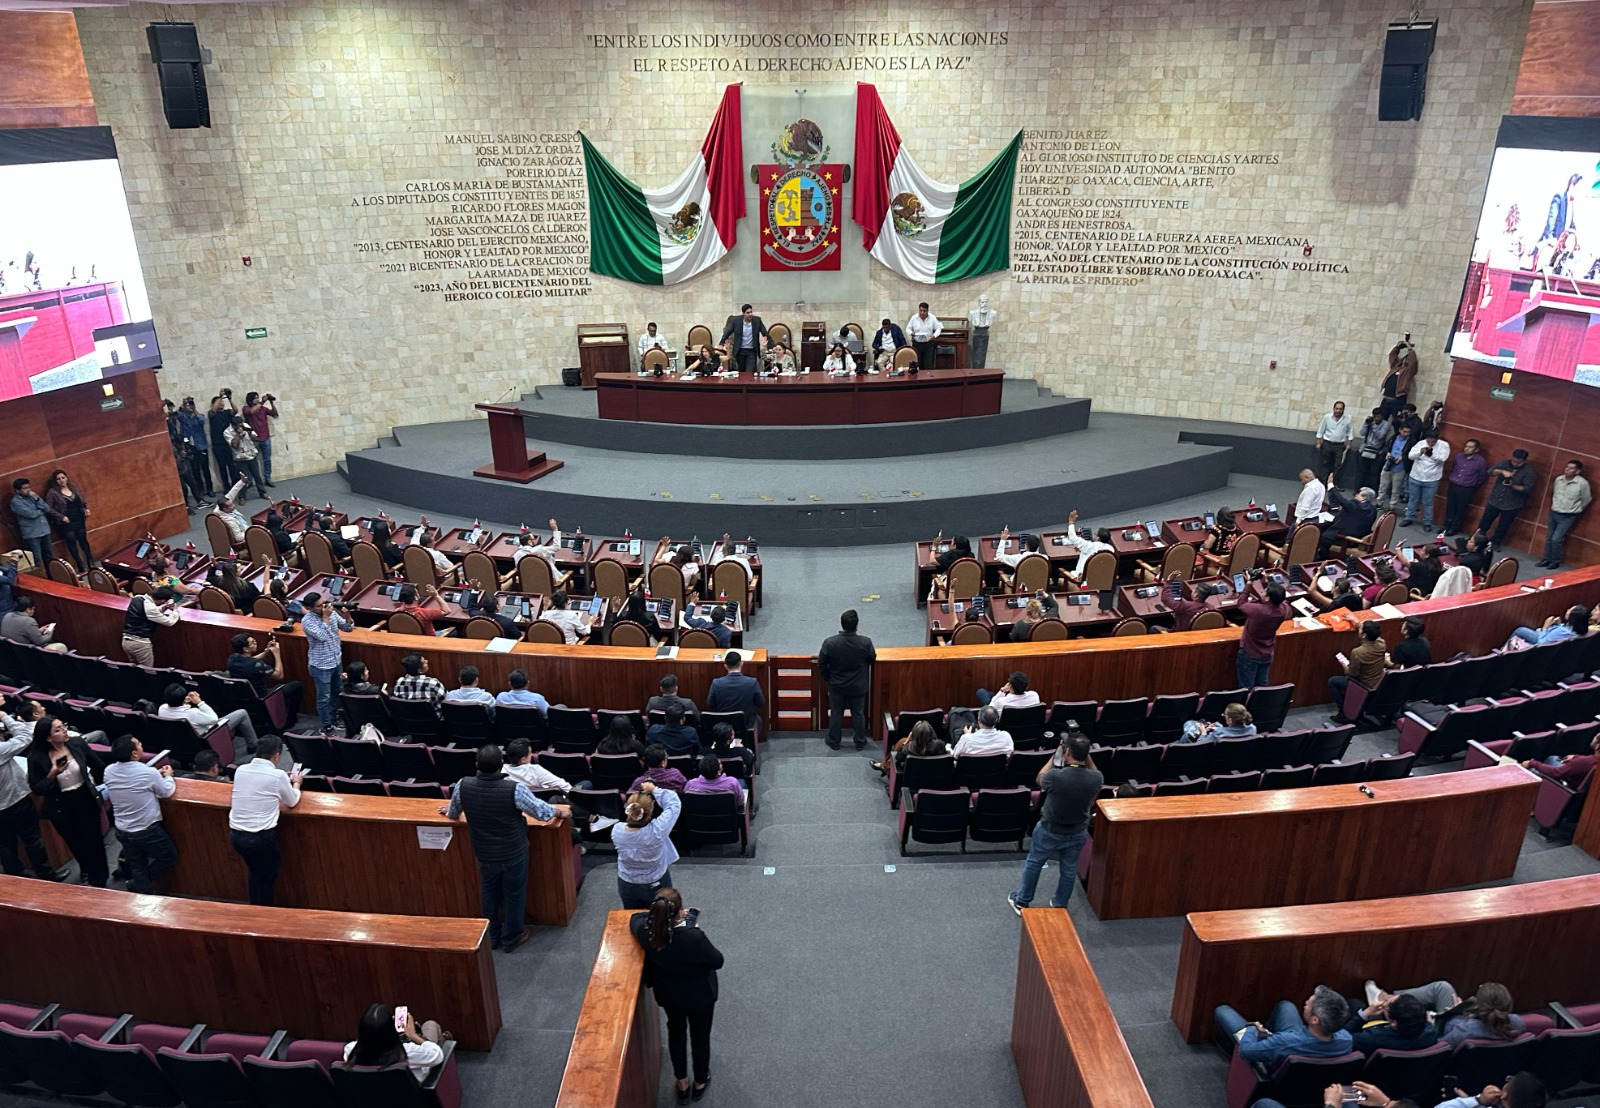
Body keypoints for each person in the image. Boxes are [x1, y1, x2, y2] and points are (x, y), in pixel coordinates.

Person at [441, 743, 571, 952]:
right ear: (501, 764)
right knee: (514, 895)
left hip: (483, 852)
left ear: (477, 765)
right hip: (513, 852)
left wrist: (448, 810)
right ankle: (512, 938)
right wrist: (559, 812)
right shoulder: (514, 789)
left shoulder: (462, 785)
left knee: (489, 892)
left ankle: (491, 937)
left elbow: (453, 812)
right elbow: (541, 812)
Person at [630, 887, 723, 1101]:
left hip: (670, 996)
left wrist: (659, 916)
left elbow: (634, 918)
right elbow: (717, 960)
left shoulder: (647, 933)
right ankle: (700, 1081)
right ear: (681, 912)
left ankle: (682, 1082)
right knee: (700, 1037)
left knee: (676, 1032)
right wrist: (693, 927)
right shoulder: (694, 938)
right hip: (700, 997)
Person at [1008, 727, 1102, 912]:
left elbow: (1039, 778)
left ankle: (1022, 901)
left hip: (1050, 830)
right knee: (1069, 869)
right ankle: (1060, 904)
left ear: (1067, 753)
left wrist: (1054, 756)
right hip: (1077, 831)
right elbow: (1094, 770)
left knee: (1034, 863)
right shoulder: (1096, 778)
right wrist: (1084, 755)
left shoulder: (1055, 777)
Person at [27, 714, 109, 887]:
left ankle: (100, 880)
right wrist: (52, 774)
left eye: (63, 726)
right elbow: (37, 788)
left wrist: (95, 782)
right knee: (75, 842)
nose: (64, 731)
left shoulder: (76, 743)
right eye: (58, 730)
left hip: (84, 796)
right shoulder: (36, 757)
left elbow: (98, 765)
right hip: (60, 804)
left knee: (94, 840)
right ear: (48, 737)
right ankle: (86, 870)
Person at [228, 736, 302, 905]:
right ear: (277, 755)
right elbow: (291, 801)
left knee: (255, 874)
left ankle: (254, 909)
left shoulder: (241, 770)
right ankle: (263, 915)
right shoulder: (277, 775)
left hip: (236, 837)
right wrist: (296, 784)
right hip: (259, 838)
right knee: (266, 882)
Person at [103, 735, 177, 894]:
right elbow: (166, 792)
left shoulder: (109, 771)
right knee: (169, 856)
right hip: (146, 830)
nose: (141, 744)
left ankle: (138, 885)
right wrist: (168, 777)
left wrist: (155, 776)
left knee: (137, 864)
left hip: (122, 829)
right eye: (138, 744)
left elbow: (132, 781)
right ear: (134, 753)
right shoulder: (148, 773)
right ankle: (140, 884)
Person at [1214, 986, 1353, 1068]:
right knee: (1285, 1005)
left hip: (1271, 1058)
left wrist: (1253, 1029)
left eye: (1309, 1003)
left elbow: (1245, 1051)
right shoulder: (1346, 1040)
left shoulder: (1283, 1042)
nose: (1305, 1003)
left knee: (1223, 1011)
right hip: (1294, 1041)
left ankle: (1257, 1044)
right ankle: (1266, 1039)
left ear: (1314, 1019)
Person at [1364, 980, 1525, 1049]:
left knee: (1434, 995)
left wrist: (1431, 1024)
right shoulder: (1517, 1023)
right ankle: (1386, 999)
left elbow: (1438, 1048)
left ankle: (1384, 1005)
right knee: (1443, 987)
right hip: (1459, 1018)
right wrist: (1462, 1012)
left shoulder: (1463, 1032)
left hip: (1440, 1027)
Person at [0, 699, 56, 881]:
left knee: (6, 845)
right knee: (32, 840)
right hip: (15, 802)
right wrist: (4, 716)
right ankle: (46, 876)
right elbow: (25, 736)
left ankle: (16, 879)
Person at [614, 782, 681, 908]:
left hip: (626, 883)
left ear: (628, 809)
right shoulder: (658, 830)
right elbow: (673, 803)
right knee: (661, 914)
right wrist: (654, 789)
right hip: (655, 882)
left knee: (632, 915)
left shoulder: (616, 830)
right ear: (650, 812)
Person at [159, 682, 260, 765]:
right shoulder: (193, 713)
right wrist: (200, 702)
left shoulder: (162, 709)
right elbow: (214, 719)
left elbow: (177, 709)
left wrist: (184, 702)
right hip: (210, 735)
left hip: (183, 743)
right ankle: (253, 745)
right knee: (242, 713)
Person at [344, 1003, 445, 1082]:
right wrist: (413, 1036)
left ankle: (444, 1037)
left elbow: (365, 1042)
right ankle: (444, 1038)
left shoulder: (350, 1050)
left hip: (375, 1097)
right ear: (390, 1029)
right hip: (419, 1091)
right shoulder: (407, 1052)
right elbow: (438, 1055)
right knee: (430, 1025)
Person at [818, 609, 875, 750]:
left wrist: (827, 677)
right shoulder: (865, 642)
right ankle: (860, 741)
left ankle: (834, 740)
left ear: (842, 624)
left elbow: (822, 663)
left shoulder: (830, 643)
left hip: (837, 684)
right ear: (857, 625)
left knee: (836, 713)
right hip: (858, 685)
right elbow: (871, 659)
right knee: (858, 713)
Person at [301, 591, 354, 734]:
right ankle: (326, 726)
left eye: (324, 603)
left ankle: (333, 717)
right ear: (310, 608)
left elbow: (348, 628)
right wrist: (325, 618)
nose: (324, 607)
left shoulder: (331, 613)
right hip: (321, 665)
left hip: (336, 660)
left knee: (337, 691)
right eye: (319, 606)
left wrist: (348, 617)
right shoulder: (307, 621)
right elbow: (322, 636)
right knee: (324, 698)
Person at [1339, 991, 1437, 1054]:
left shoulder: (1370, 1039)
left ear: (1394, 1022)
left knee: (1354, 1004)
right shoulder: (1430, 1033)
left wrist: (1365, 1013)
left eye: (1386, 1005)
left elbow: (1341, 1038)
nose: (1384, 1003)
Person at [1329, 621, 1389, 723]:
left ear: (1364, 635)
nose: (1359, 629)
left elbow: (1352, 674)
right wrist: (1355, 621)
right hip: (1377, 680)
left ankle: (1344, 712)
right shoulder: (1381, 643)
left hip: (1363, 683)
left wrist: (1344, 664)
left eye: (1361, 629)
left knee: (1333, 681)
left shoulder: (1358, 652)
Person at [1538, 459, 1592, 569]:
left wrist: (1577, 509)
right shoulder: (1559, 479)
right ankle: (1546, 559)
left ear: (1577, 471)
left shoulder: (1582, 484)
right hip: (1554, 512)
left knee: (1556, 539)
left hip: (1568, 515)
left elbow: (1586, 499)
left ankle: (1555, 561)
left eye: (1571, 468)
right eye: (1567, 467)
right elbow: (1554, 493)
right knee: (1549, 537)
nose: (1567, 469)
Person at [1477, 449, 1537, 545]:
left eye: (1518, 463)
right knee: (1485, 521)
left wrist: (1513, 485)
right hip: (1495, 499)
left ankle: (1495, 543)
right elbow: (1490, 471)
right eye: (1513, 461)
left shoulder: (1529, 472)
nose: (1515, 464)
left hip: (1512, 504)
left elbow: (1527, 489)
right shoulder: (1505, 463)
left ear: (1524, 461)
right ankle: (1477, 539)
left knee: (1503, 525)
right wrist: (1502, 471)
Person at [1236, 582, 1289, 688]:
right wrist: (1264, 582)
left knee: (1247, 688)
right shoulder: (1284, 609)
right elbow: (1280, 598)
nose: (1261, 591)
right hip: (1267, 653)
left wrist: (1249, 584)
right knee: (1262, 687)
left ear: (1268, 598)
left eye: (1264, 591)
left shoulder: (1259, 610)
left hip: (1250, 653)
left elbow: (1241, 604)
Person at [43, 468, 91, 571]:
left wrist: (86, 508)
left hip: (78, 517)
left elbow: (82, 499)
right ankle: (80, 564)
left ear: (67, 478)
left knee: (83, 539)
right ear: (55, 481)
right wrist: (61, 517)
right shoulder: (53, 492)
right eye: (58, 479)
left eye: (63, 477)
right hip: (65, 520)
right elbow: (48, 508)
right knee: (71, 539)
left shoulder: (73, 487)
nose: (61, 480)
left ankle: (90, 562)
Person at [707, 651, 764, 735]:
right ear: (741, 664)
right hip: (746, 723)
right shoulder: (752, 682)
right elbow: (760, 703)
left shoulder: (716, 683)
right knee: (758, 719)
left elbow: (711, 704)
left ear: (725, 666)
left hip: (724, 725)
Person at [1403, 430, 1450, 530]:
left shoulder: (1444, 445)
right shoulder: (1420, 443)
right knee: (1413, 499)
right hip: (1416, 476)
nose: (1430, 443)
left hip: (1432, 479)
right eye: (1429, 441)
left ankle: (1427, 522)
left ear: (1437, 439)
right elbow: (1410, 456)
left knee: (1428, 502)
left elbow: (1443, 459)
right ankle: (1408, 517)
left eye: (1433, 441)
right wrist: (1420, 452)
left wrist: (1431, 455)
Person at [1442, 438, 1488, 535]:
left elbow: (1482, 476)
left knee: (1461, 509)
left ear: (1476, 449)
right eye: (1466, 446)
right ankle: (1446, 526)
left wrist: (1472, 484)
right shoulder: (1459, 456)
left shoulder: (1480, 461)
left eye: (1470, 447)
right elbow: (1453, 468)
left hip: (1466, 488)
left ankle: (1454, 528)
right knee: (1450, 506)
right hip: (1453, 485)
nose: (1467, 448)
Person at [1317, 486, 1378, 558]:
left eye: (1358, 493)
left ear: (1363, 497)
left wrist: (1331, 487)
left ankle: (1322, 559)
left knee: (1324, 537)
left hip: (1347, 540)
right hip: (1360, 538)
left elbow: (1341, 500)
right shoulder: (1373, 509)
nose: (1355, 495)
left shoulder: (1355, 506)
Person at [873, 718, 948, 776]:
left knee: (901, 742)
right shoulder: (939, 745)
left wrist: (907, 741)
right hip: (935, 779)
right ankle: (884, 766)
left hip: (913, 781)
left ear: (914, 735)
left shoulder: (909, 749)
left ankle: (884, 767)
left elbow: (898, 757)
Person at [505, 737, 582, 792]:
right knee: (586, 783)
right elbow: (566, 788)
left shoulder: (502, 771)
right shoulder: (536, 771)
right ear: (523, 759)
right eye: (530, 753)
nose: (532, 755)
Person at [502, 518, 564, 584]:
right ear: (529, 542)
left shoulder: (517, 555)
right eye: (533, 538)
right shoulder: (539, 550)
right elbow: (556, 547)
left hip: (528, 584)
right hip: (549, 583)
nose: (535, 540)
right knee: (565, 571)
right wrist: (555, 530)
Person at [10, 478, 53, 569]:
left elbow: (47, 508)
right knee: (36, 558)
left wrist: (37, 499)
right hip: (32, 534)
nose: (28, 490)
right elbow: (31, 514)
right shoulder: (16, 502)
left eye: (28, 487)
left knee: (49, 556)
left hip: (44, 530)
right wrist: (41, 510)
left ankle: (51, 575)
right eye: (25, 488)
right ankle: (39, 576)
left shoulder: (33, 496)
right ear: (17, 490)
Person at [175, 396, 214, 495]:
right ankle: (200, 489)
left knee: (205, 469)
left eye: (191, 404)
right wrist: (183, 406)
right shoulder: (184, 417)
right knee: (195, 470)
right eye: (188, 405)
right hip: (190, 447)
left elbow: (202, 420)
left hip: (201, 446)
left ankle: (210, 489)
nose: (189, 406)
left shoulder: (198, 416)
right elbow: (177, 415)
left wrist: (194, 409)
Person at [1064, 510, 1115, 583]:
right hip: (1100, 580)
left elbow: (1073, 538)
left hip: (1081, 580)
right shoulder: (1111, 549)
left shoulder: (1089, 546)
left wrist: (1071, 522)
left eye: (1095, 534)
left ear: (1098, 538)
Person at [718, 303, 769, 375]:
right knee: (741, 373)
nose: (750, 314)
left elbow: (765, 333)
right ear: (743, 313)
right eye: (748, 313)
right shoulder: (736, 320)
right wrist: (721, 343)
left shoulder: (757, 320)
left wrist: (772, 346)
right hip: (740, 351)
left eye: (751, 312)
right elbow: (727, 332)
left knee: (749, 372)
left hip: (751, 351)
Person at [225, 415, 267, 499]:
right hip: (240, 458)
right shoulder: (227, 432)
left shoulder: (245, 425)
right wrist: (238, 435)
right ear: (234, 426)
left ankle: (262, 492)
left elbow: (254, 437)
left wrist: (250, 433)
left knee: (257, 476)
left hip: (251, 455)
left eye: (242, 424)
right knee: (243, 479)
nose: (241, 427)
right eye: (239, 426)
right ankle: (242, 496)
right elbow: (234, 445)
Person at [240, 392, 279, 482]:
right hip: (254, 439)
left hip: (266, 438)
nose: (257, 400)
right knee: (251, 461)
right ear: (250, 400)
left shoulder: (263, 409)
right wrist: (262, 402)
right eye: (255, 398)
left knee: (267, 460)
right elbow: (251, 411)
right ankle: (251, 480)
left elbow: (275, 414)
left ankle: (267, 478)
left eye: (258, 398)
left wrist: (271, 402)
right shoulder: (246, 408)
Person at [1510, 603, 1590, 646]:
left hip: (1540, 647)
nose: (1567, 610)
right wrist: (1559, 625)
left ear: (1573, 618)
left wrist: (1545, 627)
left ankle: (1504, 652)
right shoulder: (1580, 630)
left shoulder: (1561, 631)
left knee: (1520, 630)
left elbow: (1541, 643)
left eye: (1570, 611)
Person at [1351, 408, 1392, 492]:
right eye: (1375, 416)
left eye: (1378, 417)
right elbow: (1362, 433)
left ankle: (1372, 491)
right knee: (1361, 472)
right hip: (1364, 450)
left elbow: (1380, 436)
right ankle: (1358, 490)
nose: (1376, 418)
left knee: (1374, 473)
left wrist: (1373, 426)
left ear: (1382, 416)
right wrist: (1366, 424)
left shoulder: (1386, 425)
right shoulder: (1370, 421)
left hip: (1377, 452)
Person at [1376, 422, 1413, 513]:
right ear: (1400, 430)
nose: (1406, 434)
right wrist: (1387, 453)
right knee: (1383, 486)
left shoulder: (1411, 441)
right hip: (1388, 464)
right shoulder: (1393, 438)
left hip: (1400, 467)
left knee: (1396, 489)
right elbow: (1386, 447)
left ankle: (1392, 506)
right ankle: (1379, 503)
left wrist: (1402, 458)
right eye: (1404, 431)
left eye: (1408, 432)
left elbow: (1411, 454)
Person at [1179, 702, 1255, 743]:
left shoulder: (1219, 733)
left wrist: (1203, 732)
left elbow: (1201, 745)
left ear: (1230, 720)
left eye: (1225, 715)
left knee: (1189, 726)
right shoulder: (1252, 728)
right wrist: (1215, 728)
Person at [1314, 402, 1351, 483]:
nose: (1338, 410)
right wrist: (1318, 442)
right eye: (1336, 408)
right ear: (1333, 409)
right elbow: (1321, 430)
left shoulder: (1347, 418)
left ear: (1343, 410)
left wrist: (1349, 444)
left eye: (1340, 409)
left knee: (1338, 465)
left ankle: (1333, 483)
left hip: (1339, 445)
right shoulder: (1327, 417)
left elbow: (1350, 432)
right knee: (1325, 463)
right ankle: (1323, 482)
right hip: (1327, 443)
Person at [1379, 337, 1417, 417]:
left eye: (1407, 359)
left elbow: (1413, 362)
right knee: (1381, 417)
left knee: (1396, 420)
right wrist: (1398, 347)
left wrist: (1409, 348)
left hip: (1398, 400)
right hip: (1386, 399)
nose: (1405, 360)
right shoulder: (1395, 367)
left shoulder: (1409, 371)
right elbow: (1392, 356)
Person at [208, 393, 238, 489]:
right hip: (217, 445)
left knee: (232, 465)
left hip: (228, 443)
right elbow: (213, 410)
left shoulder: (227, 412)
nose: (221, 403)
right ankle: (226, 487)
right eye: (219, 402)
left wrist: (229, 398)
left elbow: (236, 410)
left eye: (222, 402)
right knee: (222, 467)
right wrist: (220, 396)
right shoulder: (212, 414)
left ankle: (235, 485)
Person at [212, 478, 252, 546]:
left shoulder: (222, 505)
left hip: (246, 528)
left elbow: (233, 492)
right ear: (225, 509)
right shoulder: (230, 521)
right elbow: (238, 537)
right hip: (246, 536)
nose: (234, 505)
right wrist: (252, 533)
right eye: (231, 505)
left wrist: (241, 481)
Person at [905, 301, 942, 370]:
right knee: (918, 364)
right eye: (921, 310)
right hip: (917, 344)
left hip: (928, 344)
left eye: (924, 311)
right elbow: (907, 329)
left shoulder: (932, 318)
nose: (922, 313)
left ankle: (928, 376)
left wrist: (934, 335)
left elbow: (938, 328)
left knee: (928, 364)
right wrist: (911, 333)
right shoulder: (914, 318)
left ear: (927, 311)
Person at [968, 293, 997, 367]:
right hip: (976, 333)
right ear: (979, 303)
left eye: (986, 302)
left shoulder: (993, 313)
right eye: (982, 302)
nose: (984, 304)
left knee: (982, 355)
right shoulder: (972, 313)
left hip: (985, 332)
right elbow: (970, 319)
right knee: (976, 355)